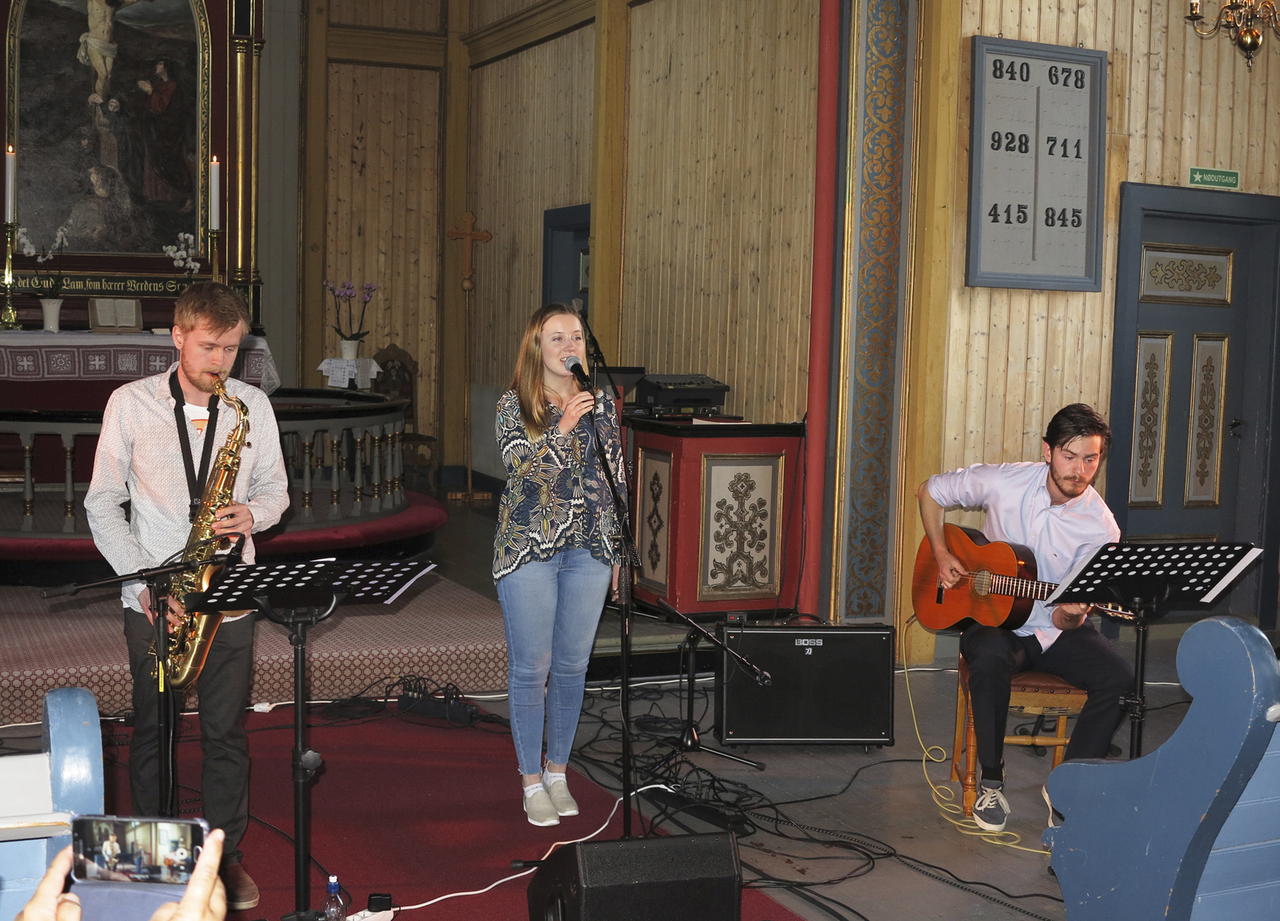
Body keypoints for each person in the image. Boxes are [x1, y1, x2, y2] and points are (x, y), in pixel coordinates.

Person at [84, 282, 289, 909]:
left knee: (227, 732)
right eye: (209, 347)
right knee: (154, 729)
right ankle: (150, 862)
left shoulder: (250, 404)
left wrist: (251, 513)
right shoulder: (131, 403)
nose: (220, 362)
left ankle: (223, 861)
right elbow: (101, 503)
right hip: (153, 588)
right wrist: (142, 577)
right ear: (177, 337)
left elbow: (277, 492)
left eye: (231, 349)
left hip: (228, 589)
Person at [917, 403, 1133, 833]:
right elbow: (930, 491)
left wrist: (1072, 615)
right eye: (1070, 457)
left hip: (1053, 631)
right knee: (991, 657)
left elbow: (1065, 621)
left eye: (1091, 459)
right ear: (1047, 451)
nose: (1080, 470)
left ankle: (1066, 788)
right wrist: (942, 555)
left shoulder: (1101, 527)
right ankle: (991, 782)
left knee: (1120, 677)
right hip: (992, 620)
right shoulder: (1004, 481)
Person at [493, 303, 626, 827]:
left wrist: (617, 551)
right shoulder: (515, 403)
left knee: (573, 667)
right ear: (537, 349)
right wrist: (564, 427)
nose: (570, 346)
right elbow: (519, 473)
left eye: (576, 336)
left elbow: (618, 477)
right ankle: (529, 782)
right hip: (529, 549)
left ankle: (558, 772)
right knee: (534, 668)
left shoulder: (604, 405)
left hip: (589, 549)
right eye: (557, 338)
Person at [15, 828, 227, 921]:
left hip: (114, 860)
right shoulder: (108, 844)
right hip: (108, 860)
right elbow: (108, 852)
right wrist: (111, 856)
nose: (115, 840)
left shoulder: (117, 845)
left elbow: (118, 852)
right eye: (114, 839)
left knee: (128, 864)